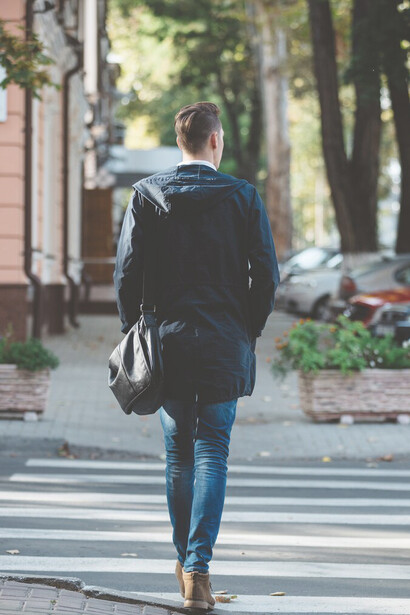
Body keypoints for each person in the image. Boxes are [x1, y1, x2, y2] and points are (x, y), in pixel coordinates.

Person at [113, 101, 280, 610]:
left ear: (180, 142)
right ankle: (198, 570)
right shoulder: (244, 196)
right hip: (225, 340)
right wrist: (246, 328)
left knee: (178, 455)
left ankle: (187, 567)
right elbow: (268, 277)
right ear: (215, 141)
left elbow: (126, 273)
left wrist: (135, 331)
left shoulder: (147, 194)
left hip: (168, 343)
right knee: (213, 452)